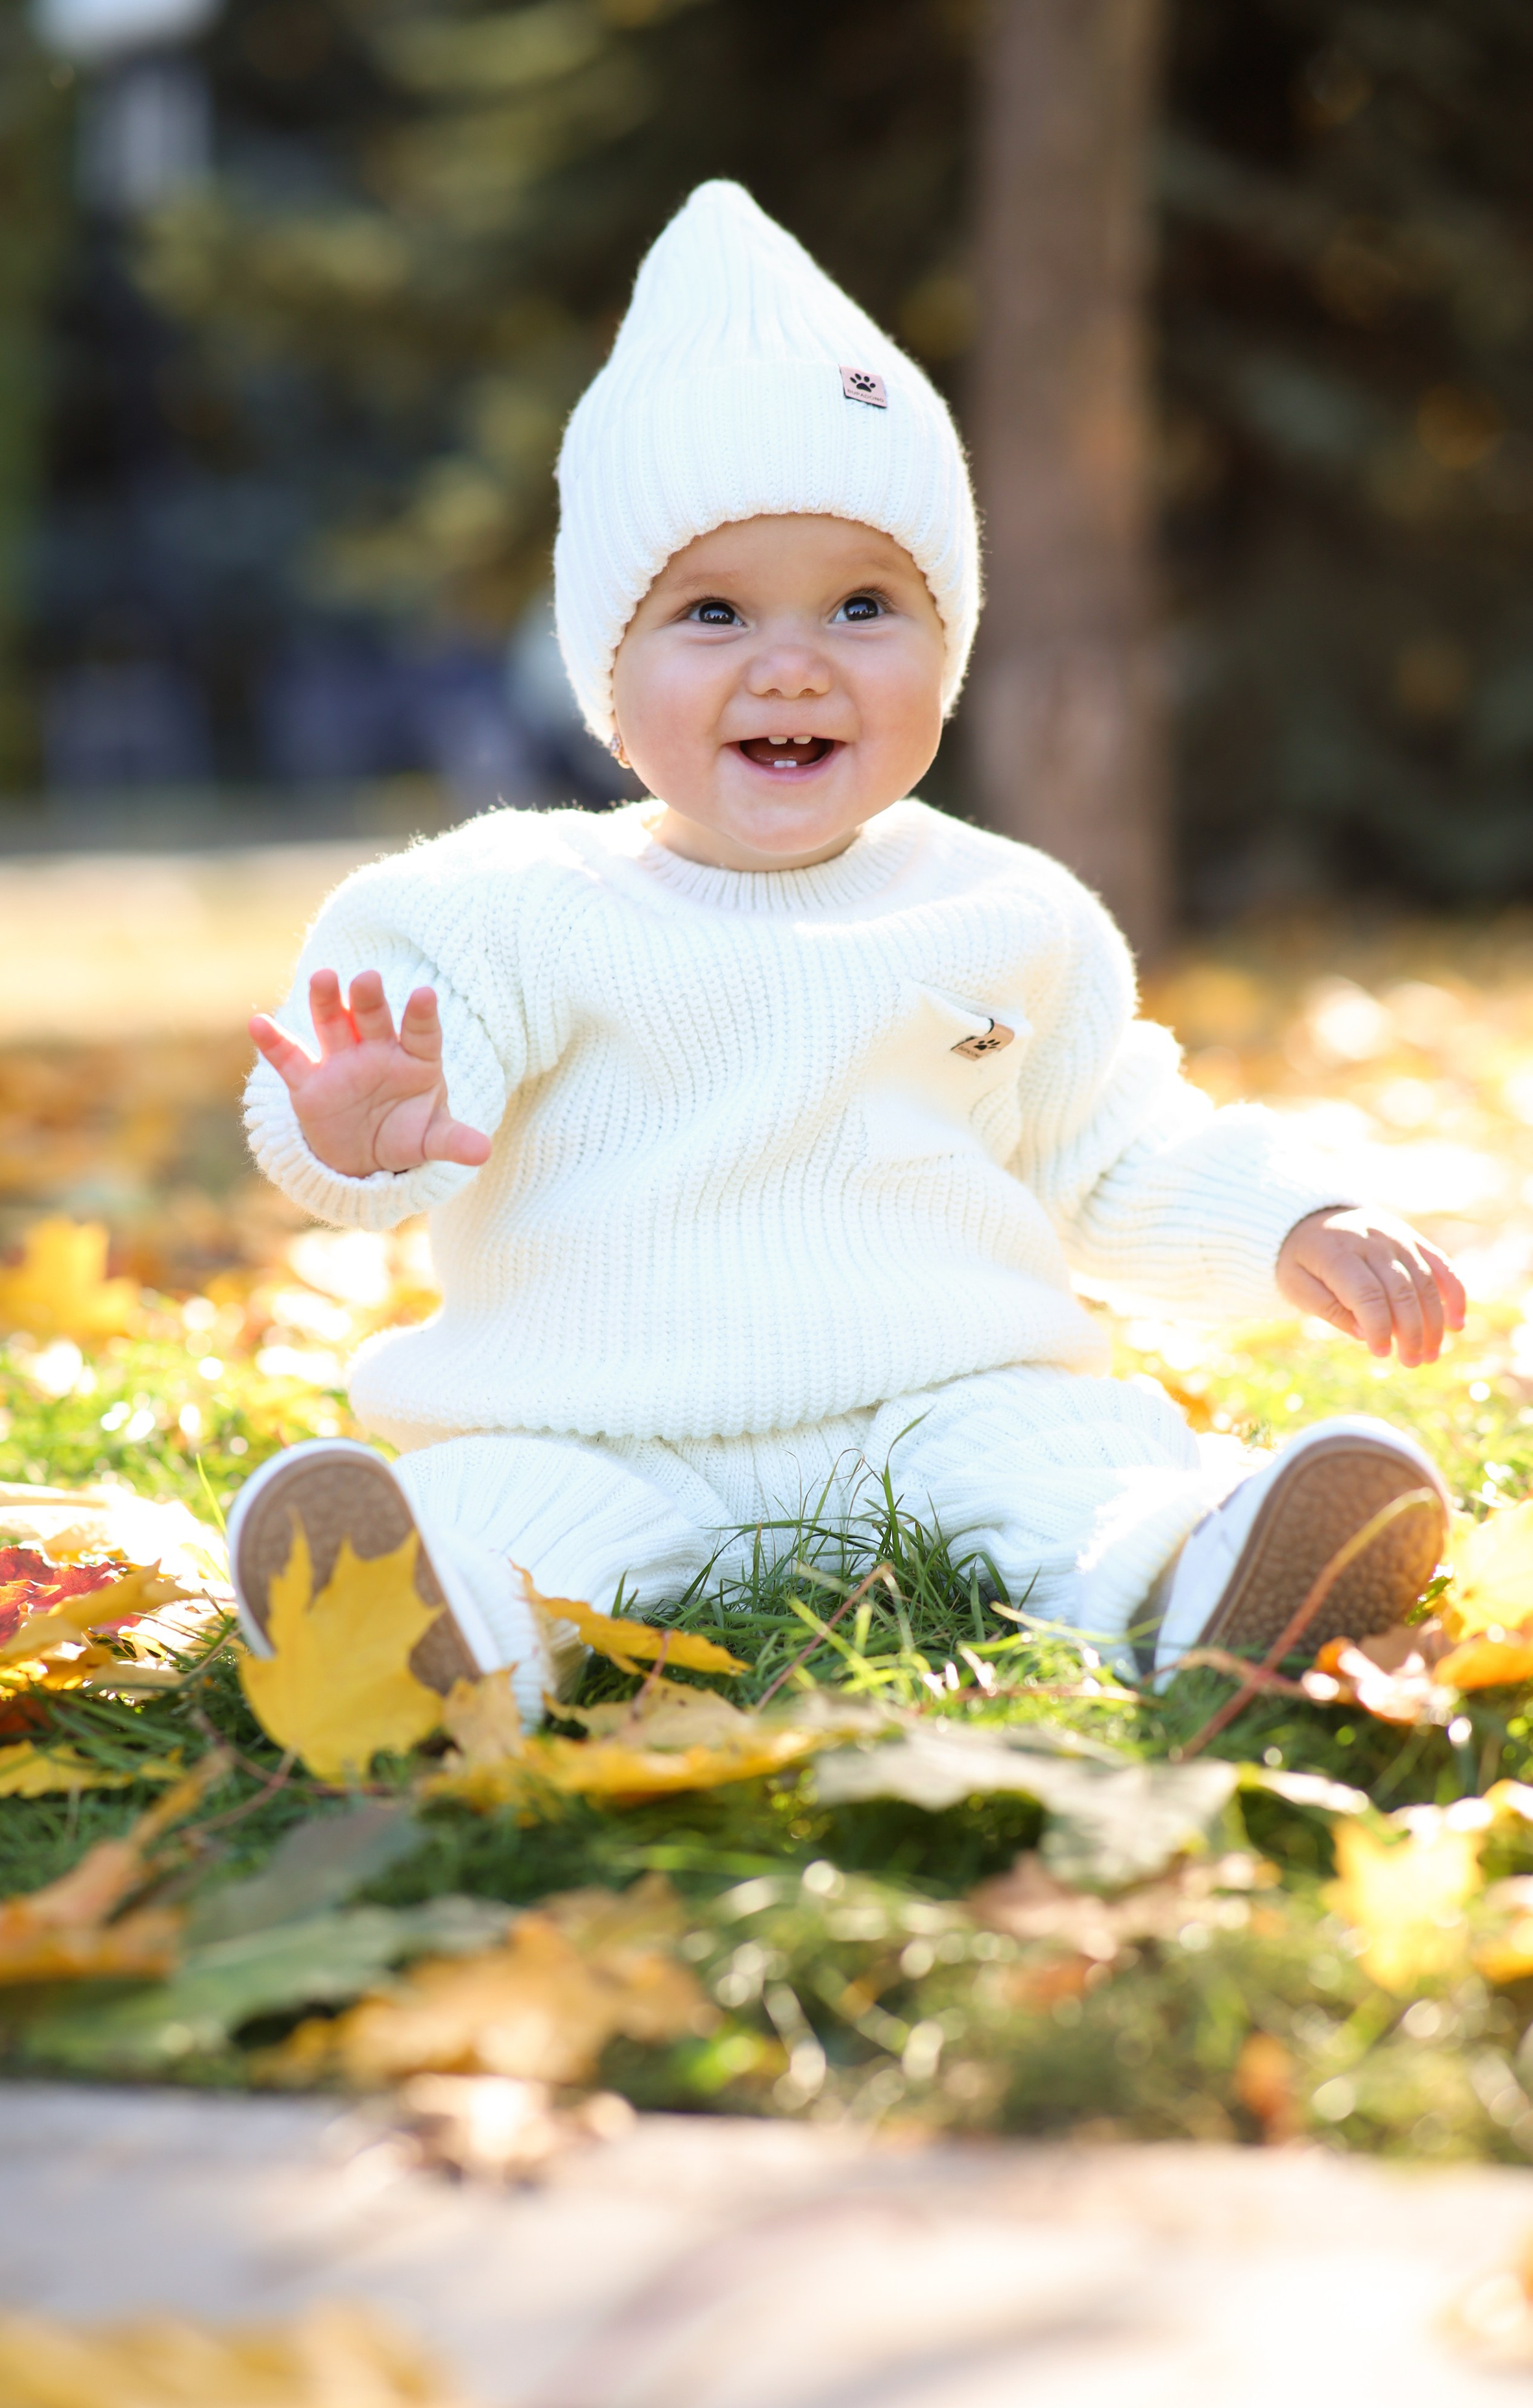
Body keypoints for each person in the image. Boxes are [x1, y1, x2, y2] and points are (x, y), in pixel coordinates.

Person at [228, 181, 1463, 1718]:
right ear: (607, 671)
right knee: (507, 1505)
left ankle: (1183, 1575)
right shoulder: (503, 904)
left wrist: (1291, 1216)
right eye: (713, 613)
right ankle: (434, 1625)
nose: (792, 664)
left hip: (935, 1401)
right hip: (593, 1418)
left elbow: (1112, 1143)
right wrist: (358, 1128)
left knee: (1070, 1455)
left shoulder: (1004, 913)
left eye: (863, 604)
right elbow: (381, 1083)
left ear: (946, 650)